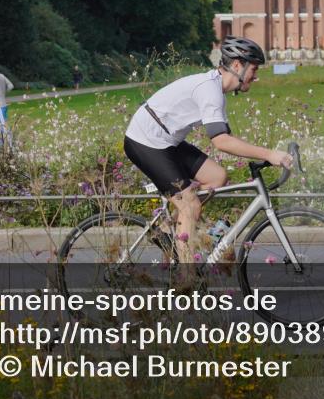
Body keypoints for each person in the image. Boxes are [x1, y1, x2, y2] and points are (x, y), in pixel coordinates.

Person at [123, 36, 293, 271]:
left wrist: (263, 155)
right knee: (190, 206)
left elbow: (228, 138)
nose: (256, 75)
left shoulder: (216, 89)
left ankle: (165, 232)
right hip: (145, 141)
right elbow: (221, 141)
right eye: (253, 68)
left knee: (216, 178)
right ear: (237, 66)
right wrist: (270, 154)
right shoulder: (210, 91)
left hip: (166, 140)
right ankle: (187, 280)